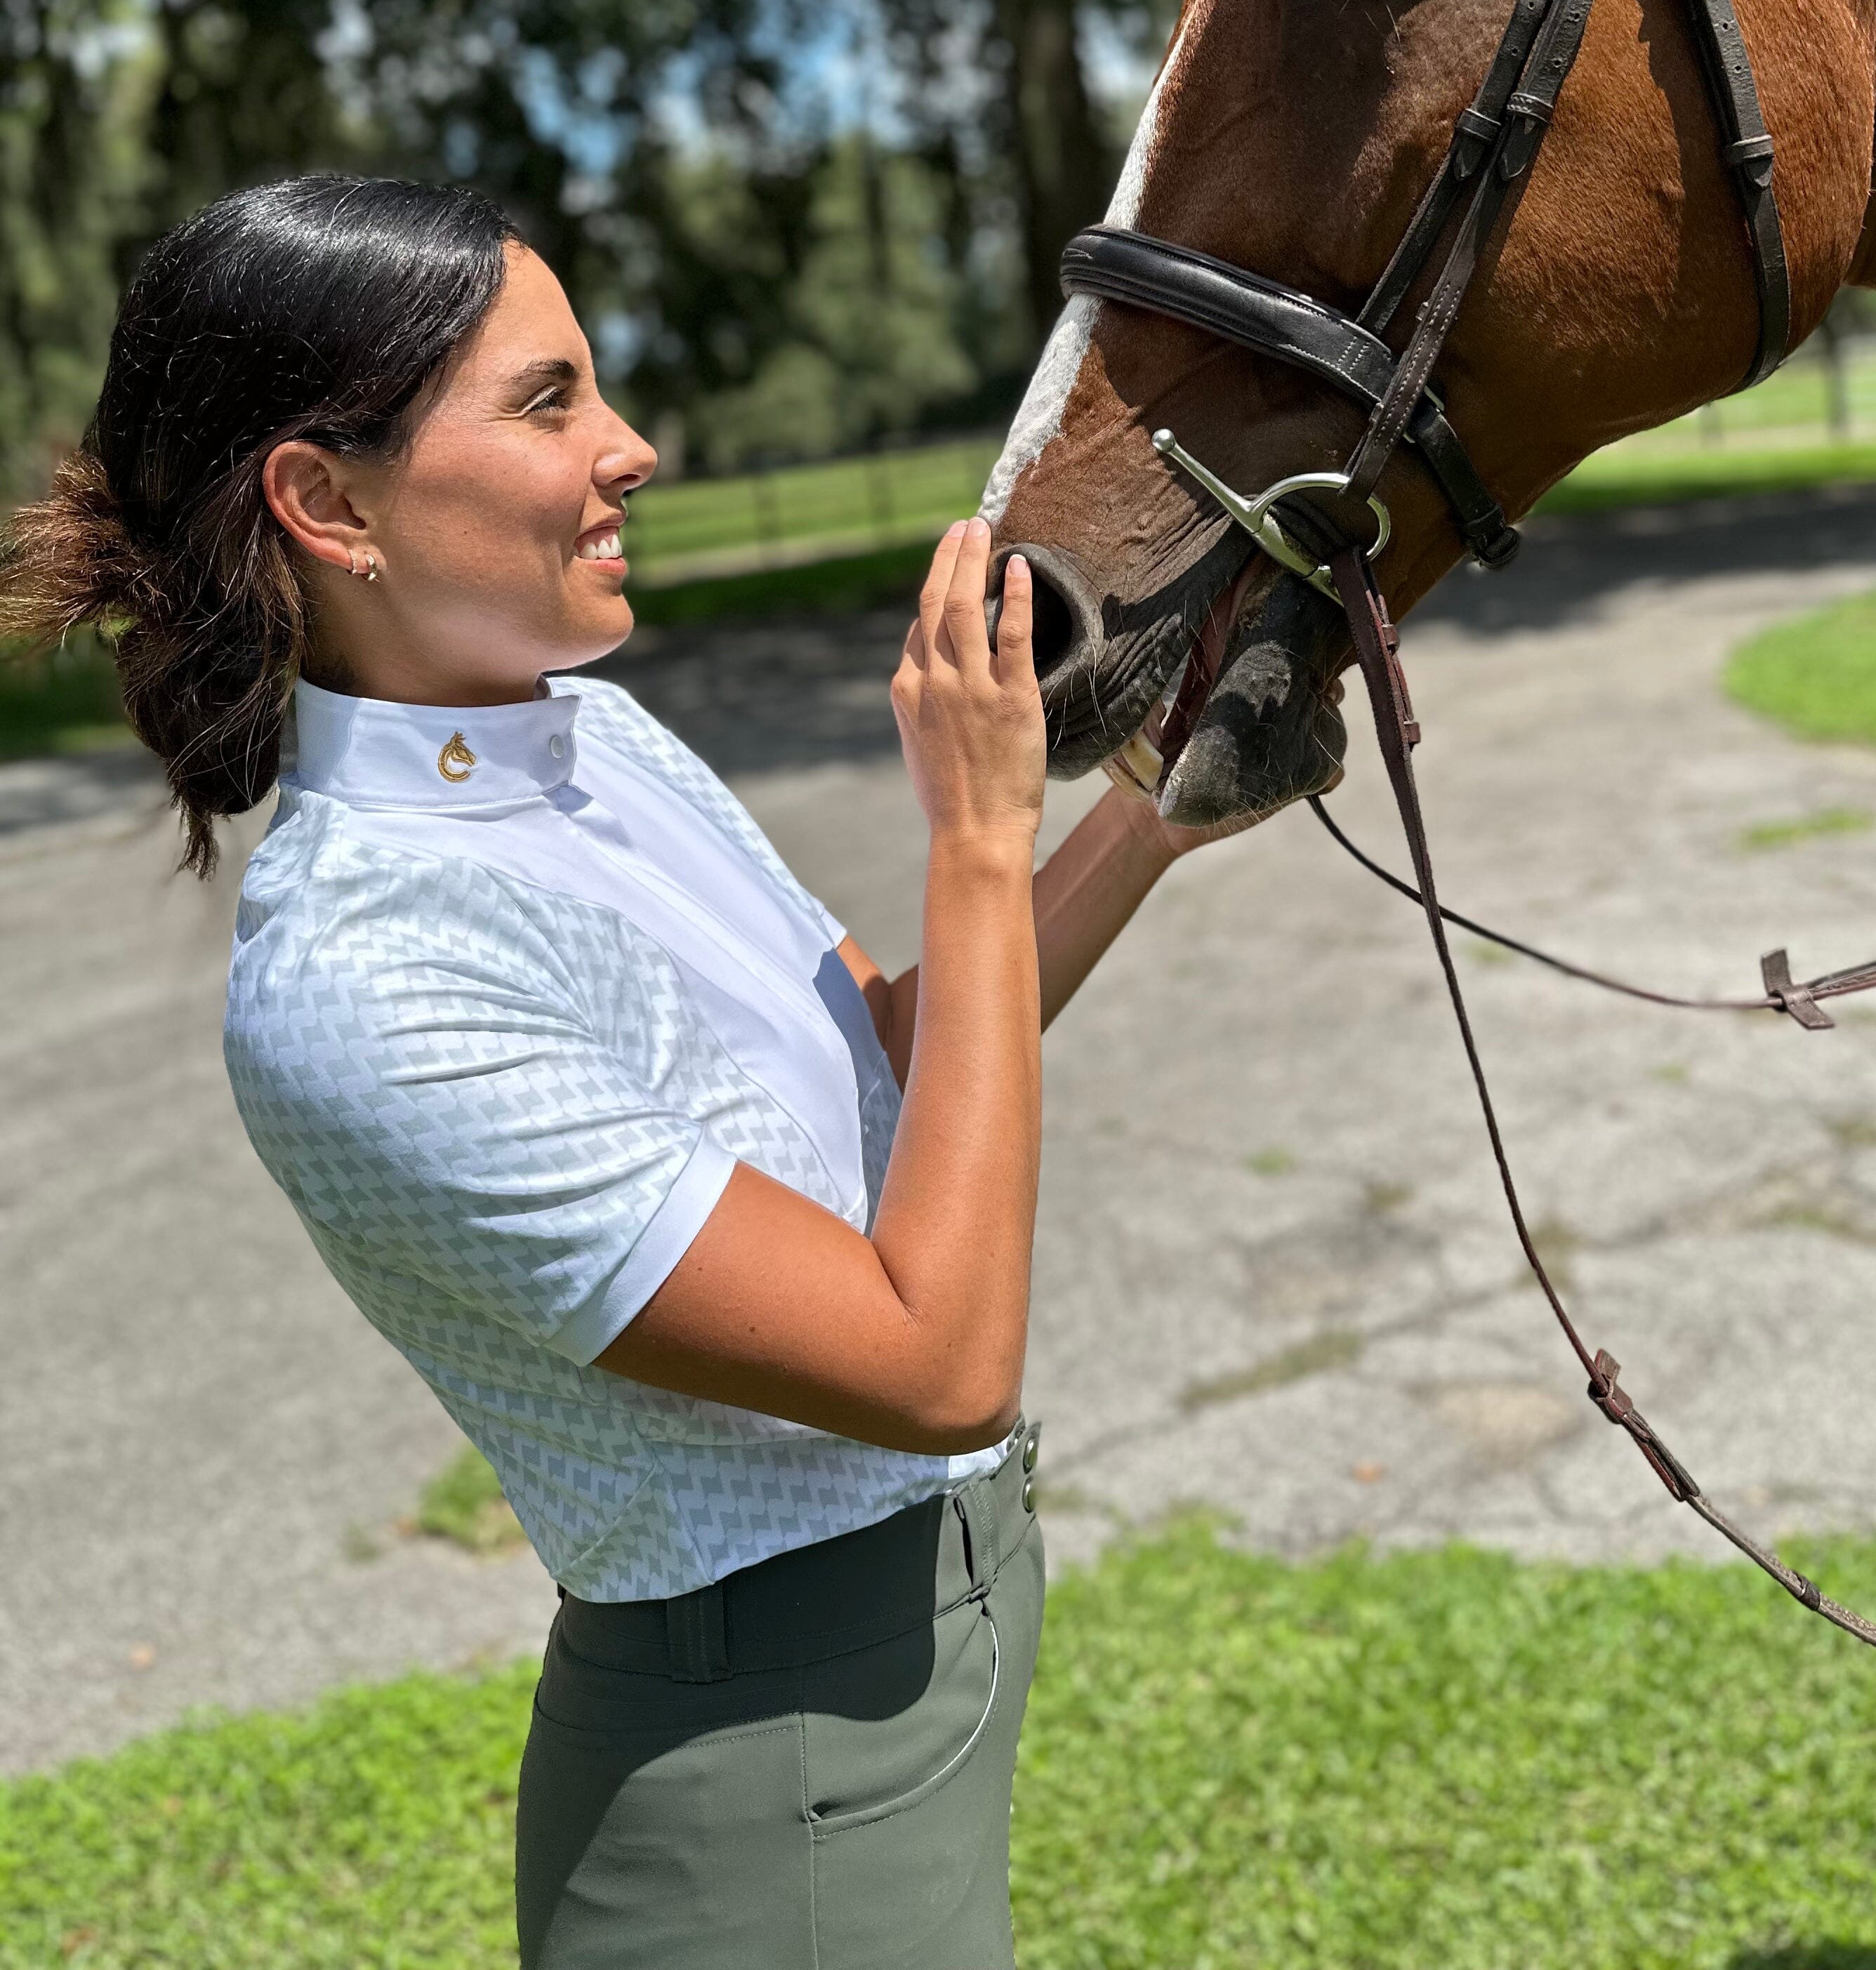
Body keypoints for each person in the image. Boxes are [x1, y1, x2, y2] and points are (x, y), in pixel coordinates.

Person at [0, 173, 1224, 1968]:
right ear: (328, 503)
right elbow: (935, 1360)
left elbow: (891, 1069)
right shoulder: (365, 976)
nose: (633, 446)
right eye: (548, 399)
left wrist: (1162, 811)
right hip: (767, 1792)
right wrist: (976, 831)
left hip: (913, 1674)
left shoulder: (589, 735)